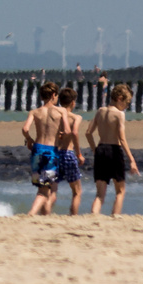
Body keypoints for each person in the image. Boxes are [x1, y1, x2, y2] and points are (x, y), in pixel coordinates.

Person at [86, 83, 140, 215]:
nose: (126, 107)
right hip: (114, 151)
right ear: (120, 98)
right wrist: (132, 160)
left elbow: (88, 133)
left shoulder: (100, 111)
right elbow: (122, 139)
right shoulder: (119, 114)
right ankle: (115, 216)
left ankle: (93, 216)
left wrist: (95, 151)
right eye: (127, 103)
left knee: (100, 194)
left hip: (101, 149)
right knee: (120, 191)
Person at [22, 81, 66, 215]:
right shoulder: (61, 111)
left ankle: (45, 216)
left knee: (44, 187)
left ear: (41, 96)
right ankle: (32, 213)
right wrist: (62, 135)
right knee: (44, 190)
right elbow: (68, 131)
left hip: (37, 148)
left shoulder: (35, 112)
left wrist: (29, 140)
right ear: (53, 95)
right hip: (51, 150)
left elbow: (25, 128)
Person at [54, 87, 85, 216]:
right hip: (67, 152)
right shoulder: (75, 117)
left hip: (54, 153)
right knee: (77, 191)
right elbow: (75, 133)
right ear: (73, 102)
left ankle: (44, 214)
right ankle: (73, 216)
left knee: (51, 190)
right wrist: (79, 154)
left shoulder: (55, 116)